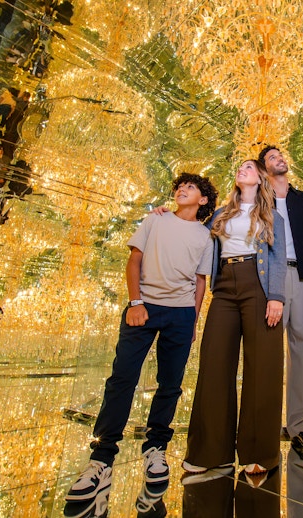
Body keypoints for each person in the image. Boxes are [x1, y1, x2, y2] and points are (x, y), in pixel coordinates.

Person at [64, 173, 217, 517]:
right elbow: (134, 260)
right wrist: (135, 303)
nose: (182, 189)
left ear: (203, 200)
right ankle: (101, 456)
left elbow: (199, 282)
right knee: (122, 379)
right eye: (180, 186)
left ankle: (156, 447)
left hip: (180, 314)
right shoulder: (155, 219)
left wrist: (192, 321)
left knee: (170, 384)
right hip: (143, 308)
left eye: (191, 188)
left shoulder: (206, 237)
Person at [182, 159, 286, 480]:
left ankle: (259, 454)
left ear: (259, 179)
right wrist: (163, 212)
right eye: (240, 168)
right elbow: (194, 233)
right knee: (214, 363)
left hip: (259, 284)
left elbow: (278, 256)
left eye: (249, 168)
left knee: (262, 368)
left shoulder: (273, 216)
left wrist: (277, 297)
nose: (242, 170)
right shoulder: (220, 214)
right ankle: (210, 453)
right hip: (225, 287)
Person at [259, 145, 303, 456]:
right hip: (272, 276)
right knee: (269, 352)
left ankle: (299, 427)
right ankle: (264, 428)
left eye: (280, 154)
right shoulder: (257, 198)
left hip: (302, 279)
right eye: (272, 157)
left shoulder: (302, 200)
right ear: (264, 169)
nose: (279, 158)